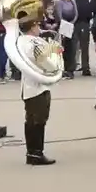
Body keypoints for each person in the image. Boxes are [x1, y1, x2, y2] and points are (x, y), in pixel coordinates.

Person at [10, 13, 57, 165]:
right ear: (32, 27)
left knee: (31, 120)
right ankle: (37, 153)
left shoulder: (21, 41)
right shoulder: (33, 44)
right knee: (38, 121)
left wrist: (52, 49)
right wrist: (55, 65)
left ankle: (32, 153)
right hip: (37, 86)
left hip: (29, 85)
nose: (39, 28)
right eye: (37, 25)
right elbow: (43, 60)